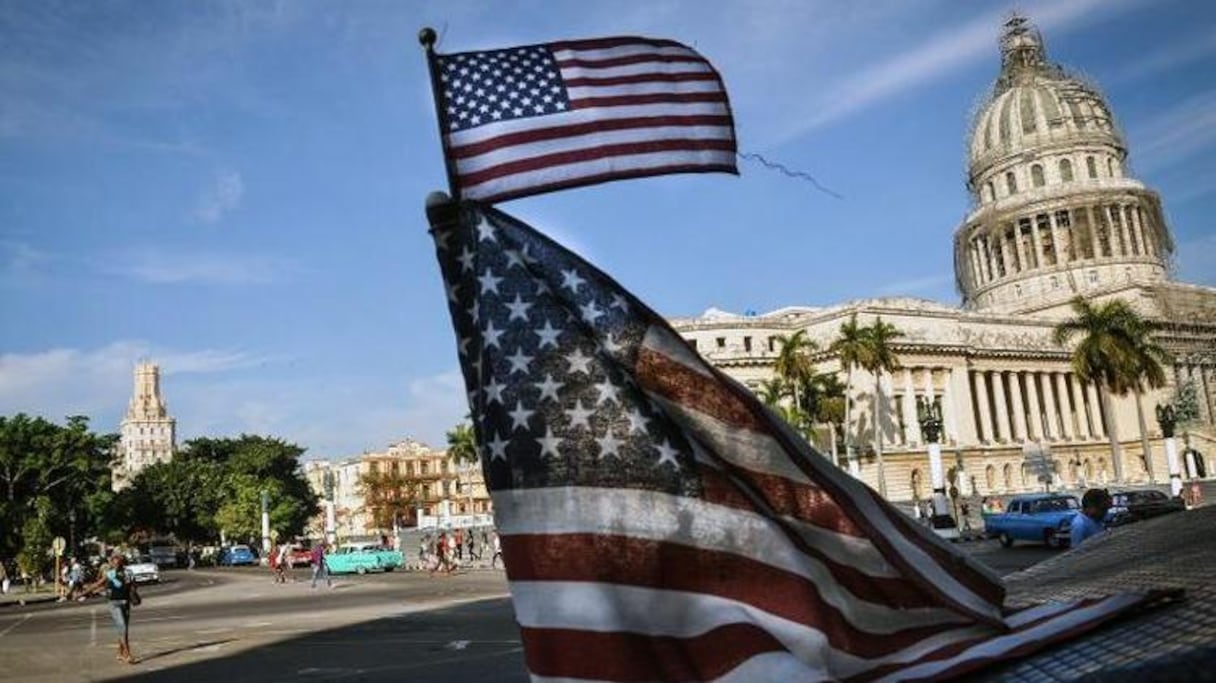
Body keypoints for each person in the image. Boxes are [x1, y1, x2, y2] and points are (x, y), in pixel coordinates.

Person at [84, 553, 138, 664]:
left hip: (126, 603)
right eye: (114, 563)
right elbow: (97, 584)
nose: (116, 565)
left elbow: (134, 585)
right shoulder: (110, 574)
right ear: (112, 563)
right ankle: (128, 655)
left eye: (118, 563)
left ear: (123, 563)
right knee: (122, 627)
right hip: (114, 603)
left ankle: (119, 653)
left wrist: (133, 593)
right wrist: (82, 593)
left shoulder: (129, 573)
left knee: (123, 630)